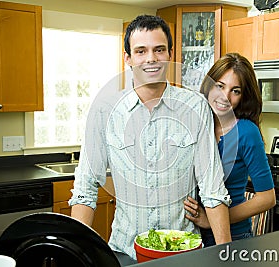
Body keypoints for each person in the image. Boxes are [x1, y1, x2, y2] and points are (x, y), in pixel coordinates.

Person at [69, 15, 232, 265]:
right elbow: (85, 191)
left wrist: (226, 257)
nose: (150, 59)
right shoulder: (104, 111)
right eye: (140, 51)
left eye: (158, 49)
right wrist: (75, 258)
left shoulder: (195, 108)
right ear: (128, 58)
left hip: (184, 252)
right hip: (125, 252)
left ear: (170, 53)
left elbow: (213, 190)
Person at [184, 53, 276, 246]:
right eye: (220, 86)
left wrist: (213, 220)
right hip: (192, 236)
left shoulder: (246, 132)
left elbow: (267, 198)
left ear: (243, 96)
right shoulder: (196, 124)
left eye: (235, 91)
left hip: (234, 237)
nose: (224, 97)